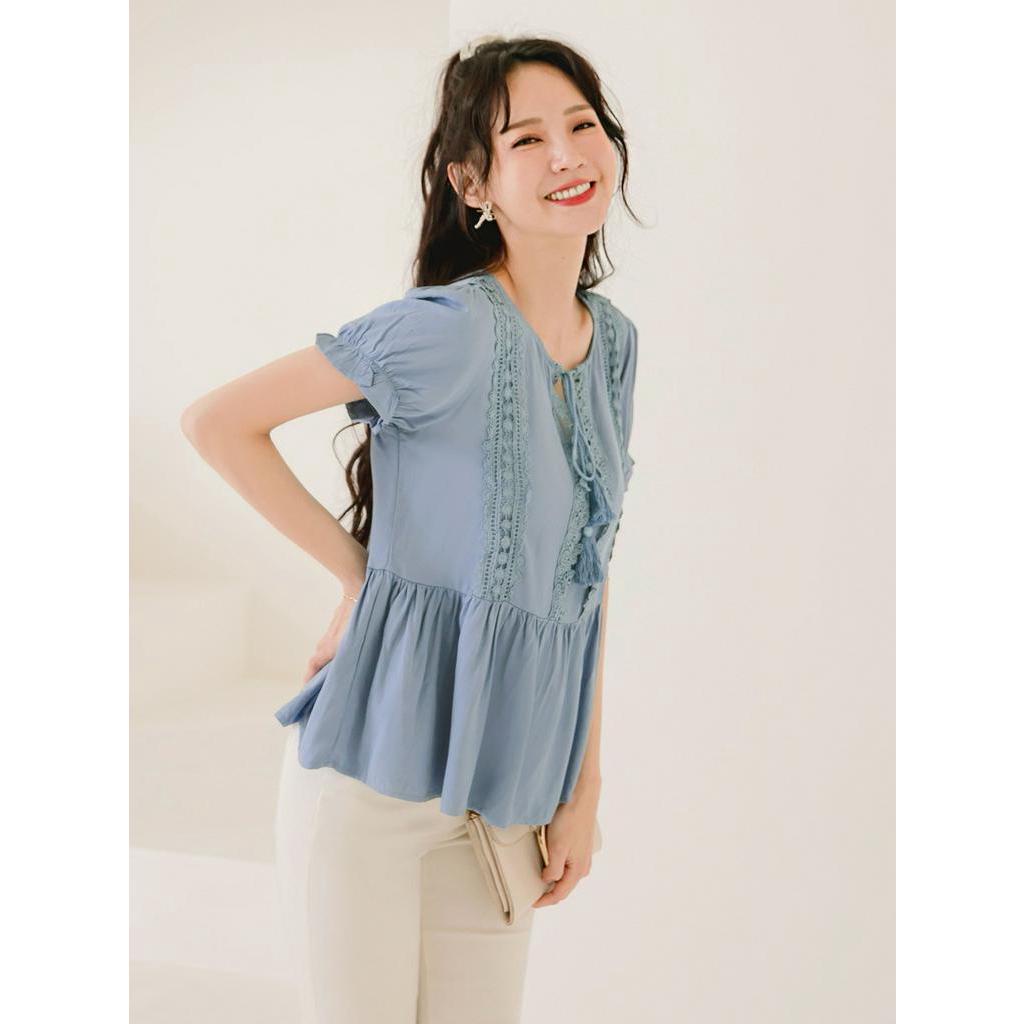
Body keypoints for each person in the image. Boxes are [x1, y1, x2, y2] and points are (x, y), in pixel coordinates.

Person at [181, 33, 642, 1024]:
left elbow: (587, 574)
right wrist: (358, 576)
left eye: (582, 125)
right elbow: (219, 423)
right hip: (370, 788)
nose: (567, 154)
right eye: (527, 139)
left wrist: (584, 788)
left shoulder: (612, 346)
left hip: (507, 797)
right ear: (473, 182)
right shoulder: (446, 327)